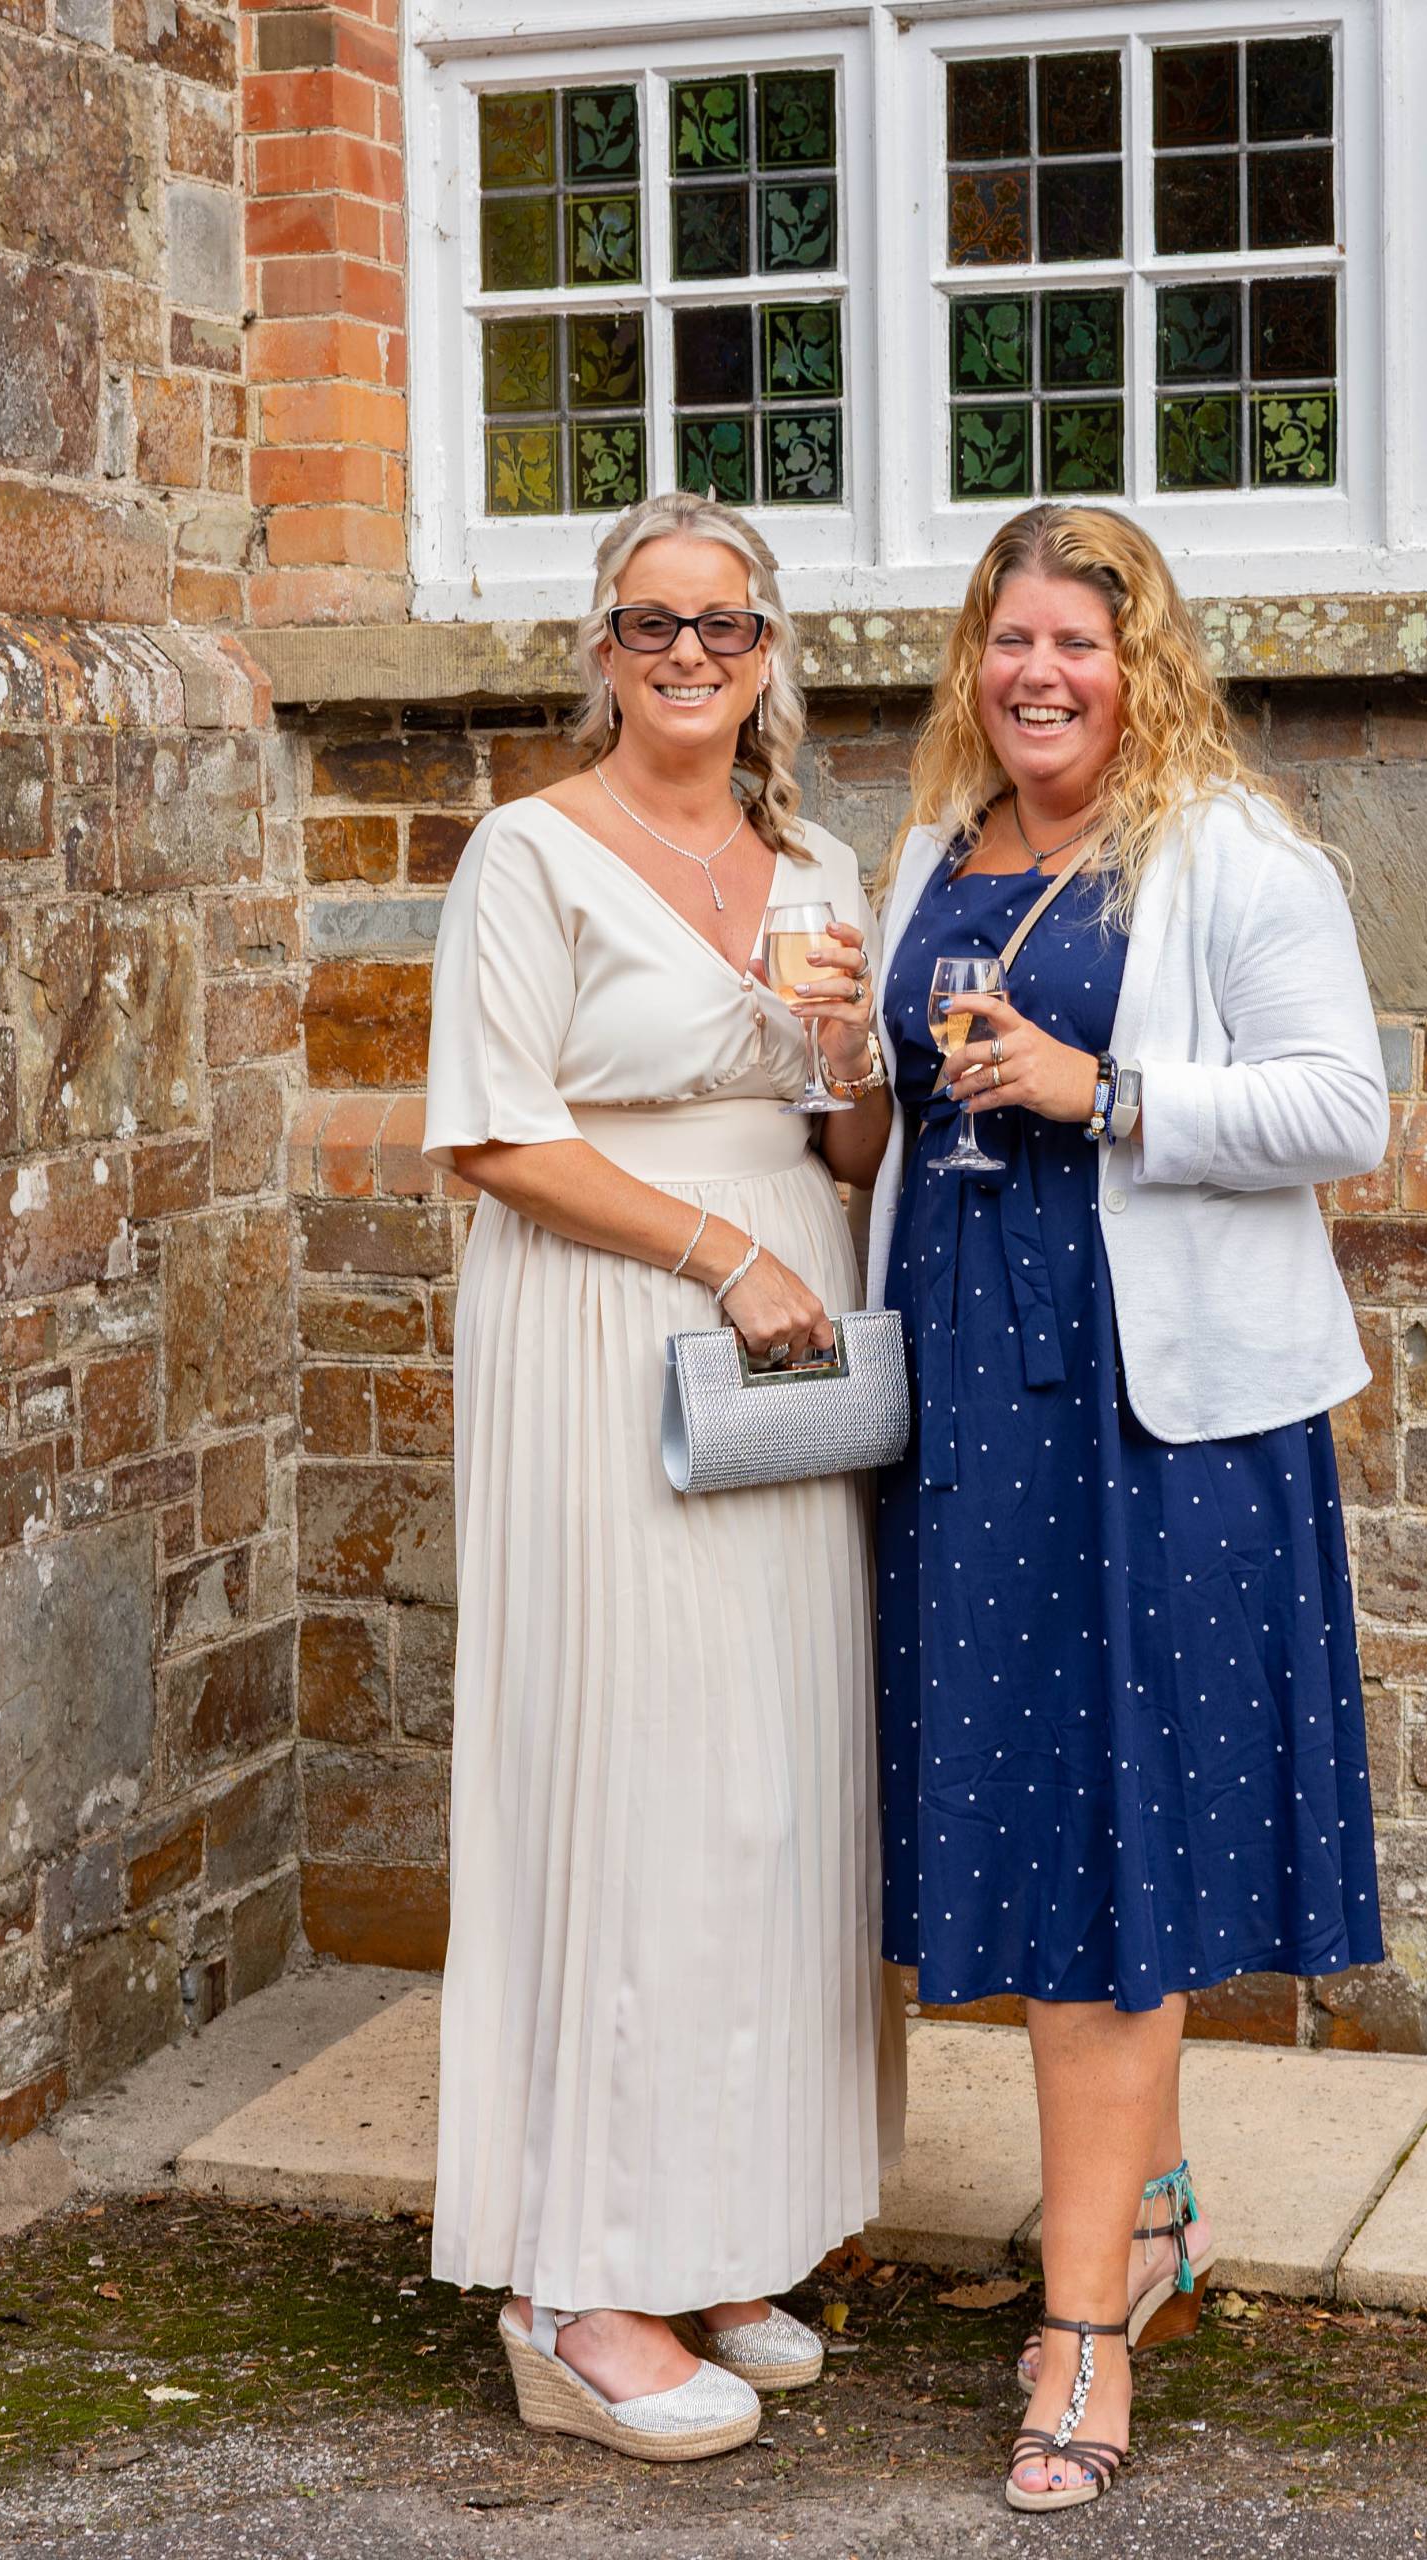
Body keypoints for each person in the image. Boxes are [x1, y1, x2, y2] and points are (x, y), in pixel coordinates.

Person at [868, 504, 1389, 2513]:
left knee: (1106, 1858)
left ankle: (1082, 2323)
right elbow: (898, 1122)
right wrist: (845, 1067)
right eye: (1010, 640)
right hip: (970, 1405)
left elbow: (1342, 1105)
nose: (1039, 675)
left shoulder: (1230, 848)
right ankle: (1152, 2215)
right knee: (1046, 1836)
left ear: (1137, 661)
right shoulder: (935, 852)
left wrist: (1105, 1092)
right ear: (974, 660)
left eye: (1077, 643)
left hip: (1149, 1414)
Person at [421, 490, 896, 2462]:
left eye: (724, 624)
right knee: (626, 1776)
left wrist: (850, 1053)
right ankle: (577, 2278)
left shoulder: (821, 863)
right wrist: (720, 1254)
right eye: (650, 622)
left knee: (769, 1787)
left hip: (792, 1335)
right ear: (602, 650)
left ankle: (718, 2229)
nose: (688, 654)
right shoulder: (528, 852)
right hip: (610, 1326)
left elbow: (850, 1147)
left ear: (770, 653)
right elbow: (492, 1135)